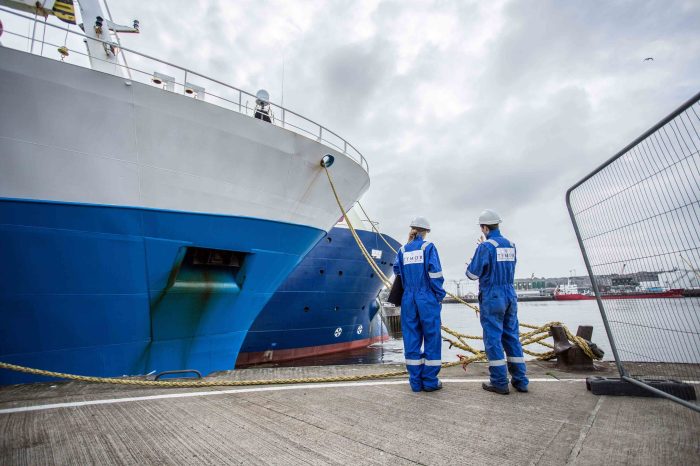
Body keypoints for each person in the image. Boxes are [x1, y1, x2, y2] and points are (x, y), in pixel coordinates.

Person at [466, 209, 529, 395]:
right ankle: (521, 381)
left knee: (493, 338)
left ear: (484, 227)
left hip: (493, 295)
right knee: (512, 336)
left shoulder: (485, 247)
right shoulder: (511, 245)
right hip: (509, 293)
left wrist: (475, 258)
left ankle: (500, 382)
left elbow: (471, 274)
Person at [393, 216, 447, 392]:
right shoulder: (428, 247)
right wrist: (439, 295)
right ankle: (430, 381)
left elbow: (397, 271)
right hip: (426, 297)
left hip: (408, 298)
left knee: (411, 338)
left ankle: (415, 382)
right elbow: (435, 274)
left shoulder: (402, 250)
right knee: (431, 337)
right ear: (426, 232)